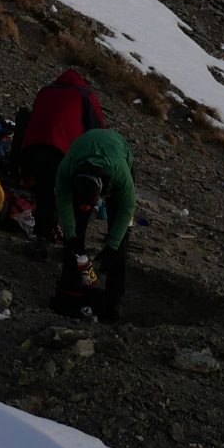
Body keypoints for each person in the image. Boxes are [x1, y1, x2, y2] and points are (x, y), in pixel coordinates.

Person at [15, 68, 104, 248]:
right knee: (66, 193)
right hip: (61, 152)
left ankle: (41, 237)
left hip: (33, 150)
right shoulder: (86, 95)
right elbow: (97, 132)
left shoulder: (46, 91)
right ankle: (69, 238)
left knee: (43, 192)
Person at [54, 125, 136, 321]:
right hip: (84, 151)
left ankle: (114, 302)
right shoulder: (67, 168)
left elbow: (127, 209)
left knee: (120, 239)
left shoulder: (120, 174)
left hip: (117, 152)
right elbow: (63, 201)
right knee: (75, 234)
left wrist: (112, 246)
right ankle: (71, 287)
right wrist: (71, 235)